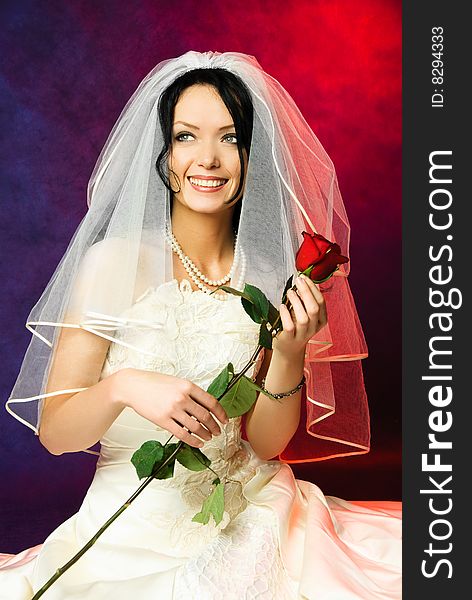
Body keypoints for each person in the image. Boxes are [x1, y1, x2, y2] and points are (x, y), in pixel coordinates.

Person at [0, 51, 401, 599]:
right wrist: (126, 386)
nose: (207, 159)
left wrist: (286, 352)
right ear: (163, 155)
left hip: (255, 511)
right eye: (186, 136)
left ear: (253, 158)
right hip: (129, 529)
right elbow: (57, 433)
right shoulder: (113, 263)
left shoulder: (265, 277)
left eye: (230, 138)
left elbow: (262, 443)